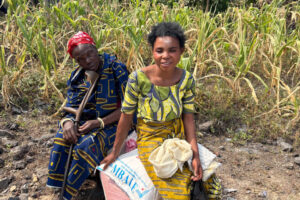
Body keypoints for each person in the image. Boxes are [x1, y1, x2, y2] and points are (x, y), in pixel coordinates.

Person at [101, 22, 221, 200]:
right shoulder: (138, 79)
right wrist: (115, 152)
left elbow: (188, 118)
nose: (165, 56)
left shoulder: (186, 79)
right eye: (160, 50)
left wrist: (194, 153)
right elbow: (126, 117)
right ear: (152, 52)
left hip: (177, 134)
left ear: (181, 51)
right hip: (150, 138)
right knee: (177, 188)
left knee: (207, 180)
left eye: (172, 50)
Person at [46, 31, 129, 200]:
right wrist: (68, 122)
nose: (87, 60)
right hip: (87, 120)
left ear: (94, 47)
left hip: (117, 121)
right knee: (63, 137)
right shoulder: (78, 75)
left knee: (86, 145)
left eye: (89, 54)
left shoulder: (116, 68)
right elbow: (71, 105)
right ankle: (62, 186)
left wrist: (99, 122)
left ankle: (77, 189)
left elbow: (130, 107)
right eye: (80, 59)